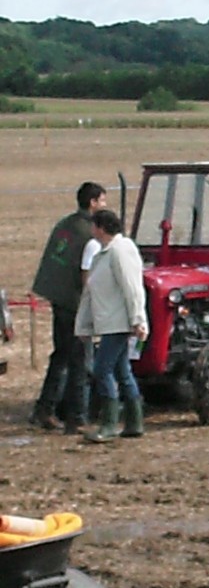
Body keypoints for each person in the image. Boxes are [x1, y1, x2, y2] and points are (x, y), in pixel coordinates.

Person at [30, 181, 107, 433]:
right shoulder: (90, 235)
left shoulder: (66, 224)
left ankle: (44, 410)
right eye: (102, 200)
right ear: (93, 202)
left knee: (61, 356)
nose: (104, 205)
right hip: (74, 303)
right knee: (81, 361)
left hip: (58, 298)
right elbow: (86, 275)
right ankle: (78, 418)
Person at [75, 209, 149, 444]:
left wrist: (138, 319)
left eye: (94, 226)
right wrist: (83, 326)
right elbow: (91, 293)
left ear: (101, 228)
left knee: (102, 369)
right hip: (108, 322)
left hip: (118, 323)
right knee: (122, 371)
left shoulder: (120, 251)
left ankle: (109, 424)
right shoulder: (103, 254)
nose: (91, 230)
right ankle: (134, 422)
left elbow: (132, 288)